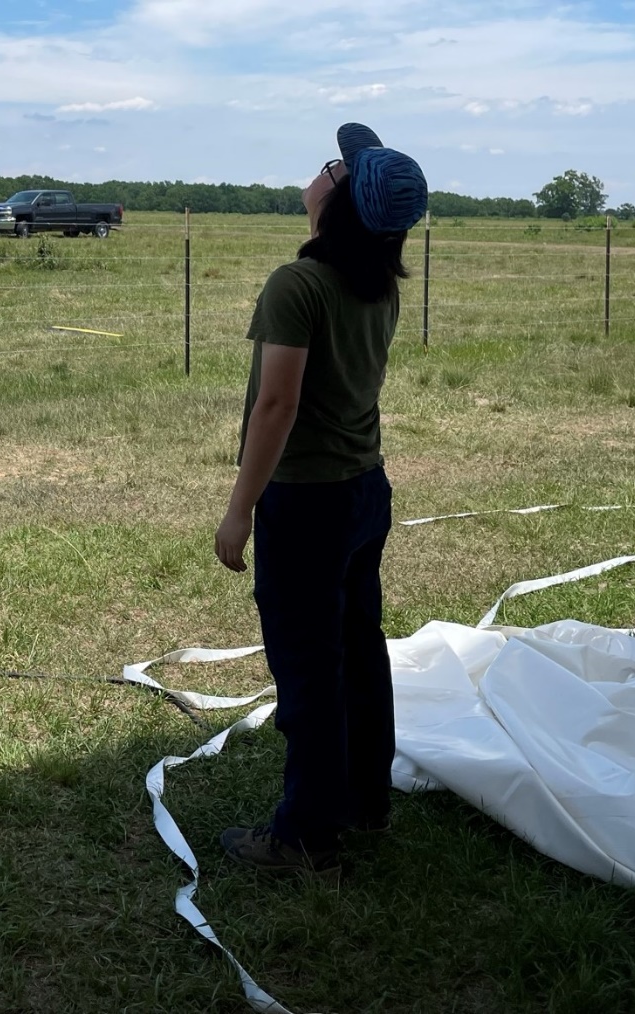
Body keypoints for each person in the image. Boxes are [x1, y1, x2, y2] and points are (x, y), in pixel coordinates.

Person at [214, 123, 427, 876]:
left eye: (330, 168)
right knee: (358, 651)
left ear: (335, 205)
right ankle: (366, 801)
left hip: (305, 502)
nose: (319, 171)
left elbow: (276, 405)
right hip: (364, 489)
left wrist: (240, 507)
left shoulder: (297, 284)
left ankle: (302, 836)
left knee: (308, 666)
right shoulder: (378, 284)